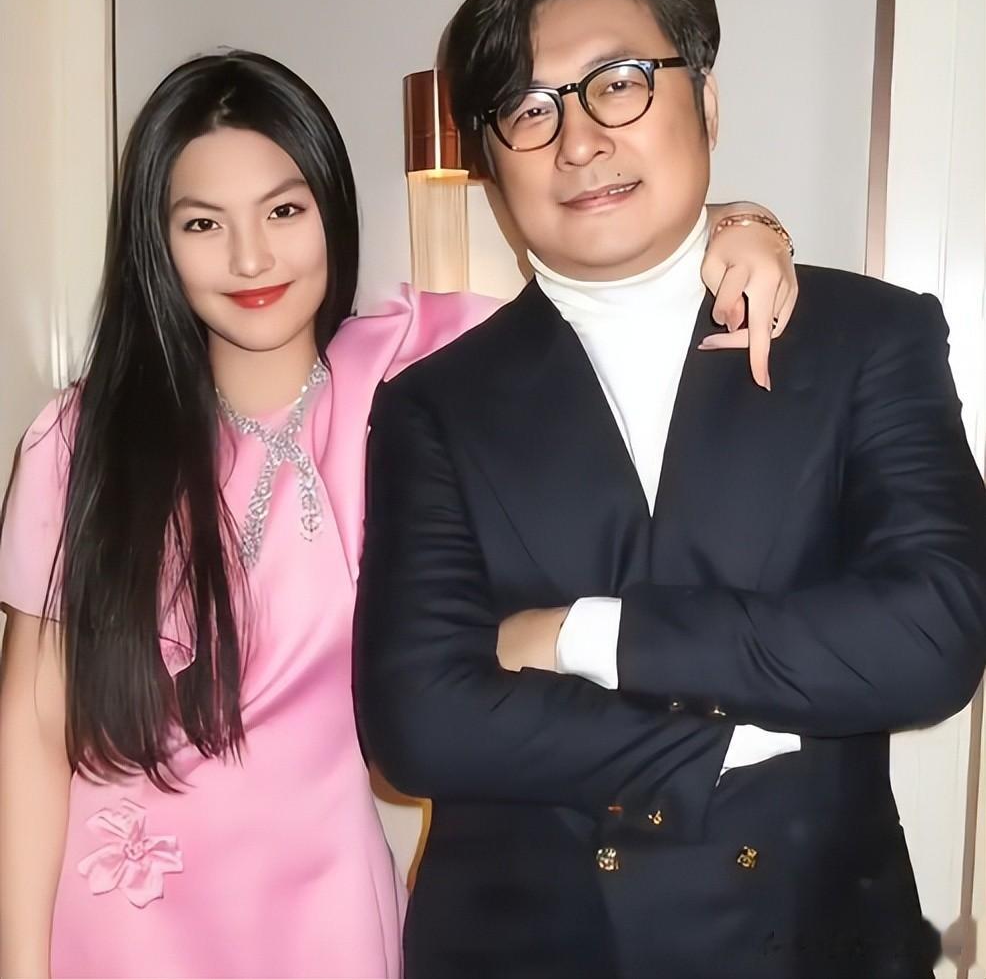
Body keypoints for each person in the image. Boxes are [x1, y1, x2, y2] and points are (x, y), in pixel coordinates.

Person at [0, 48, 794, 979]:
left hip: (326, 916)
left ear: (332, 209)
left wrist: (745, 222)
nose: (251, 258)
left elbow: (603, 273)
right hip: (120, 923)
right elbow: (32, 729)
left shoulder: (415, 371)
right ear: (156, 242)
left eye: (284, 211)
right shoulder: (82, 440)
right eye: (203, 223)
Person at [354, 0, 986, 979]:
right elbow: (420, 722)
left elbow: (932, 636)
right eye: (529, 109)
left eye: (618, 84)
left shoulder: (867, 338)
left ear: (707, 103)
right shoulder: (433, 403)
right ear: (490, 162)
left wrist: (581, 636)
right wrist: (742, 739)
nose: (577, 141)